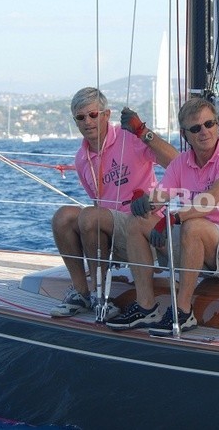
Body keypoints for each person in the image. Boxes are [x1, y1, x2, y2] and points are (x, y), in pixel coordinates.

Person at [106, 97, 219, 335]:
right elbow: (161, 196)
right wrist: (144, 202)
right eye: (195, 128)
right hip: (196, 243)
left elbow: (213, 198)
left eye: (209, 124)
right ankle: (145, 307)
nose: (204, 131)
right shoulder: (180, 163)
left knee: (193, 225)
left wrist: (172, 218)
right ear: (184, 134)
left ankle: (183, 312)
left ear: (218, 126)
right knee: (138, 222)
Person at [50, 87, 178, 318]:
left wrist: (142, 131)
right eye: (81, 117)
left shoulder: (130, 137)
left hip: (143, 227)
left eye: (93, 114)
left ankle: (100, 296)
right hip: (110, 229)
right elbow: (97, 201)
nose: (88, 122)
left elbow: (176, 164)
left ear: (106, 115)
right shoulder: (81, 159)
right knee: (63, 217)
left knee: (91, 216)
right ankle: (81, 293)